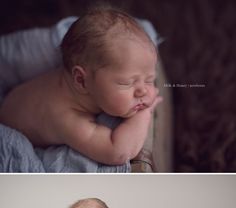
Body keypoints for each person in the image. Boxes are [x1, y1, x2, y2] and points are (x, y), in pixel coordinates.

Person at [0, 8, 161, 165]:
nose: (143, 90)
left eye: (149, 79)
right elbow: (117, 151)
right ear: (81, 80)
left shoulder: (83, 77)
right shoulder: (67, 117)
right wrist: (145, 112)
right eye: (127, 83)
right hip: (8, 123)